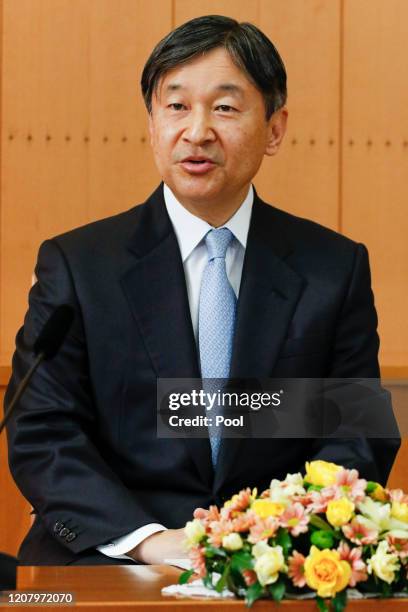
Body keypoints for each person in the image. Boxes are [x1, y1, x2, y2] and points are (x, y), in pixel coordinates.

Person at [5, 15, 400, 566]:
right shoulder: (78, 265)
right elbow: (43, 430)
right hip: (110, 558)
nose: (197, 131)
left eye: (225, 107)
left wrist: (277, 535)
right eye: (176, 106)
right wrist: (147, 540)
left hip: (276, 565)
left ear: (276, 128)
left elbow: (356, 432)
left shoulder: (333, 269)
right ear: (151, 123)